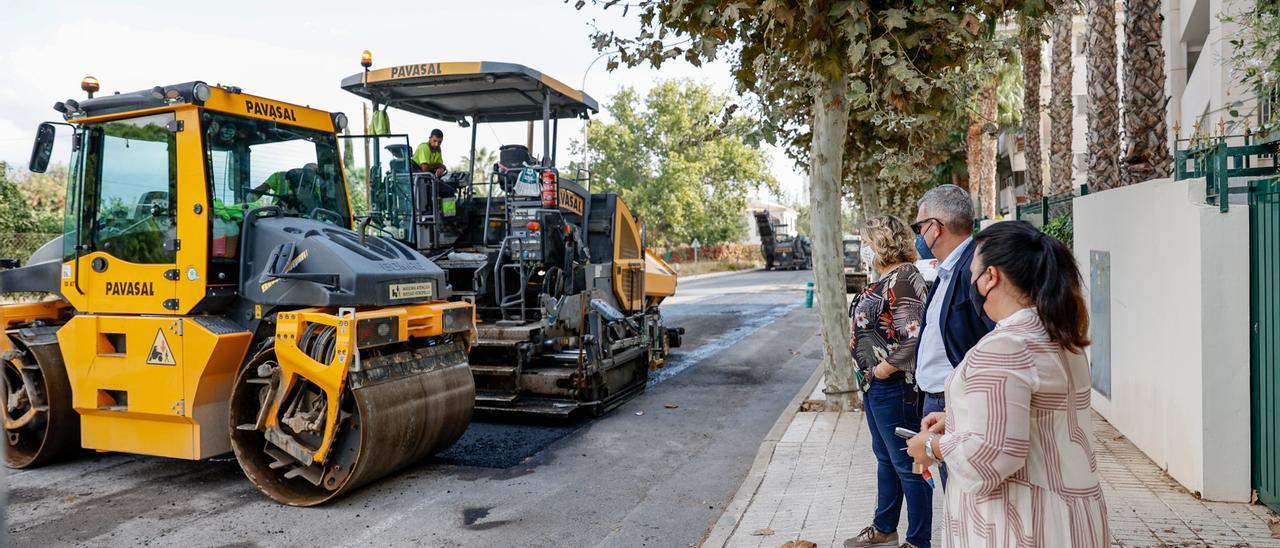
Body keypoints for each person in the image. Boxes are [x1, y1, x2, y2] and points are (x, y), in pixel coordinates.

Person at [906, 221, 1109, 546]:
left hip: (1018, 524)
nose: (969, 282)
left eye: (972, 272)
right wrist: (958, 417)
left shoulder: (1004, 348)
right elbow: (1039, 413)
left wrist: (931, 447)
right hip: (1068, 517)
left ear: (991, 276)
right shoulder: (1058, 337)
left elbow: (994, 453)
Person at [843, 215, 931, 548]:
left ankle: (919, 540)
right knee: (887, 459)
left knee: (907, 465)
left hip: (894, 387)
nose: (863, 249)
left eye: (866, 242)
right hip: (876, 387)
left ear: (882, 242)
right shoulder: (888, 277)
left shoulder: (904, 278)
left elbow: (915, 337)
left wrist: (883, 370)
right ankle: (884, 529)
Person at [910, 184, 994, 485]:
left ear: (936, 227)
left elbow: (985, 338)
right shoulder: (951, 268)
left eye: (920, 225)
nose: (919, 235)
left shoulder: (973, 268)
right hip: (939, 404)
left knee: (962, 492)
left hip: (955, 403)